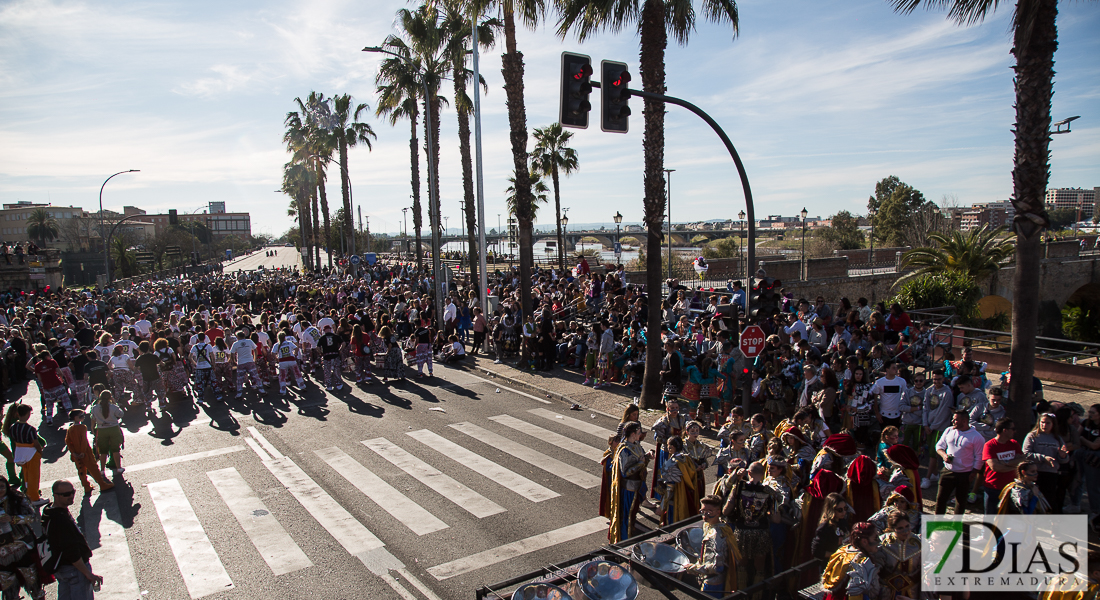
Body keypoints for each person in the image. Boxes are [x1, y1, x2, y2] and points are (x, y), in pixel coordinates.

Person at [44, 479, 103, 599]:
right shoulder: (60, 520)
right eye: (66, 494)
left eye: (73, 492)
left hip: (62, 569)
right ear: (55, 495)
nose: (71, 496)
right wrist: (88, 574)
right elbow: (71, 551)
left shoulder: (49, 511)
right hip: (74, 570)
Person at [684, 494, 739, 599]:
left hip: (713, 583)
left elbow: (716, 567)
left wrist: (694, 568)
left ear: (718, 512)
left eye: (709, 512)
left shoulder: (715, 536)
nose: (705, 516)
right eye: (702, 512)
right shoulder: (714, 526)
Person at [820, 522, 892, 600]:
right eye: (875, 538)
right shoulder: (861, 563)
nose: (878, 542)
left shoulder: (842, 551)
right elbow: (856, 596)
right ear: (864, 541)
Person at [934, 409, 985, 514]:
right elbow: (939, 446)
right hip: (947, 471)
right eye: (953, 419)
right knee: (940, 499)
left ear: (964, 421)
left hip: (965, 474)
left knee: (960, 502)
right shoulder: (949, 431)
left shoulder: (977, 437)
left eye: (955, 419)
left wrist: (974, 473)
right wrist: (944, 455)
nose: (952, 421)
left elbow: (979, 457)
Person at [0, 475, 43, 599]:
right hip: (2, 554)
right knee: (8, 586)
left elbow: (32, 516)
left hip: (22, 547)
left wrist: (13, 519)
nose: (0, 490)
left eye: (2, 487)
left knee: (32, 580)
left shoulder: (17, 499)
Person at [608, 421, 649, 544]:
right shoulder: (624, 450)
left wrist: (646, 458)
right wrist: (641, 463)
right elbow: (625, 472)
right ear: (632, 434)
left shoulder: (636, 445)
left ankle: (631, 536)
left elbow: (641, 461)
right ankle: (624, 540)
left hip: (637, 486)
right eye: (638, 432)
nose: (640, 434)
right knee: (626, 515)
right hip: (628, 488)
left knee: (633, 515)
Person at [981, 417, 1030, 514]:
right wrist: (1015, 465)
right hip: (993, 488)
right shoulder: (990, 445)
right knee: (991, 519)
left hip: (1011, 487)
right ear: (1005, 430)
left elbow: (1022, 459)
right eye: (1013, 429)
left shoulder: (1014, 444)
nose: (1015, 431)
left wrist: (1005, 463)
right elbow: (995, 467)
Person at [1023, 412, 1068, 512]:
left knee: (1049, 499)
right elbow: (1026, 453)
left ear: (1053, 425)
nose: (1044, 425)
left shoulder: (1057, 438)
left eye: (1048, 423)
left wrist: (1062, 456)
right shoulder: (1032, 436)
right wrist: (1043, 458)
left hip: (1051, 473)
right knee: (1033, 499)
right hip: (1034, 473)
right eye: (1042, 422)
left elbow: (1064, 460)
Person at [63, 409, 113, 495]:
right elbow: (83, 441)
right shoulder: (82, 427)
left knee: (81, 470)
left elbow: (68, 441)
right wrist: (82, 452)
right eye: (81, 416)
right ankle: (102, 484)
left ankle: (86, 486)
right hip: (85, 453)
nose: (83, 417)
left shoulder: (70, 428)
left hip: (76, 454)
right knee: (93, 468)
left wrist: (73, 452)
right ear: (76, 418)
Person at [3, 404, 45, 504]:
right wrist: (40, 451)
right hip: (31, 453)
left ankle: (27, 494)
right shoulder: (30, 429)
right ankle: (34, 497)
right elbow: (36, 443)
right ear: (27, 414)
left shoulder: (12, 427)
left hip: (20, 452)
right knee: (33, 476)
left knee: (25, 475)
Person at [655, 436, 698, 526]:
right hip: (686, 495)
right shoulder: (687, 458)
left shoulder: (671, 464)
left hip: (675, 498)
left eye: (668, 446)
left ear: (672, 447)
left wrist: (662, 506)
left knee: (672, 522)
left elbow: (669, 488)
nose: (667, 448)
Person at [878, 512, 920, 599]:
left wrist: (912, 579)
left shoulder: (920, 542)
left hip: (913, 591)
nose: (906, 531)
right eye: (900, 528)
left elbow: (926, 566)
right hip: (888, 591)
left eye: (907, 526)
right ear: (892, 528)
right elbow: (876, 563)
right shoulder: (882, 542)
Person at [91, 390, 125, 477]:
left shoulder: (95, 408)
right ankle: (118, 467)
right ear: (110, 397)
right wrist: (115, 403)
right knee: (115, 449)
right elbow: (121, 414)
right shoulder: (113, 407)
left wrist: (92, 428)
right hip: (113, 429)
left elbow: (93, 418)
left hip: (102, 429)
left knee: (103, 451)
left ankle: (102, 470)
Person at [811, 492, 850, 562]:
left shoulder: (843, 522)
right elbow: (816, 551)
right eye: (840, 510)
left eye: (845, 508)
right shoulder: (824, 527)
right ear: (831, 509)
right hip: (831, 564)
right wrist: (836, 555)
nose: (844, 512)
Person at [229, 330, 264, 398]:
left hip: (241, 363)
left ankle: (239, 393)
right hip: (250, 361)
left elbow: (232, 353)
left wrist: (234, 361)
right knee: (256, 377)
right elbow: (255, 350)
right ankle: (262, 390)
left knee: (240, 379)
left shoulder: (236, 344)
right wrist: (255, 359)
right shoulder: (249, 341)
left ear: (237, 336)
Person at [317, 325, 344, 392]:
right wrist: (340, 350)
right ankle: (338, 384)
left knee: (327, 372)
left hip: (327, 356)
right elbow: (343, 343)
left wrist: (320, 353)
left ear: (324, 330)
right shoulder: (335, 336)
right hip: (335, 355)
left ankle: (329, 385)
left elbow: (317, 347)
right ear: (330, 329)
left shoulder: (322, 338)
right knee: (336, 370)